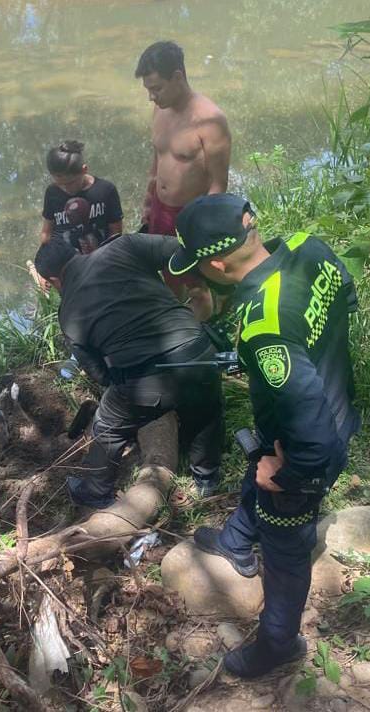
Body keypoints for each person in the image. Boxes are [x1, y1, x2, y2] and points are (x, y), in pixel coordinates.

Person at [168, 193, 361, 678]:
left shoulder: (264, 327)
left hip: (309, 448)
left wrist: (292, 471)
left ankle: (278, 645)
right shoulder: (306, 246)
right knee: (259, 463)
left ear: (214, 262)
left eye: (197, 268)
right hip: (337, 408)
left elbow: (310, 430)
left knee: (285, 548)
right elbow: (348, 295)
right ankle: (236, 541)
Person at [33, 235, 224, 508]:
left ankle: (95, 490)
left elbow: (100, 374)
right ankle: (207, 479)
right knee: (206, 410)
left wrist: (127, 387)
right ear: (74, 252)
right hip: (199, 351)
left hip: (147, 380)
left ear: (53, 281)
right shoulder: (124, 246)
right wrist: (199, 285)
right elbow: (177, 250)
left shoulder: (68, 314)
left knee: (108, 424)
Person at [135, 41, 231, 310]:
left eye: (156, 88)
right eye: (148, 90)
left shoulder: (210, 121)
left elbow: (218, 183)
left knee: (195, 282)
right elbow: (158, 157)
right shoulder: (160, 110)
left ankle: (201, 333)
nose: (151, 97)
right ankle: (172, 322)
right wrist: (147, 201)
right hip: (159, 208)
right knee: (165, 273)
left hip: (190, 215)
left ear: (178, 77)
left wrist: (204, 229)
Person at [39, 140, 123, 246]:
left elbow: (116, 233)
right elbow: (47, 232)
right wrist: (45, 254)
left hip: (101, 255)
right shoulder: (52, 192)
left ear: (84, 170)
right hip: (66, 257)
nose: (65, 188)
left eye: (70, 183)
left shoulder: (106, 190)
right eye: (60, 184)